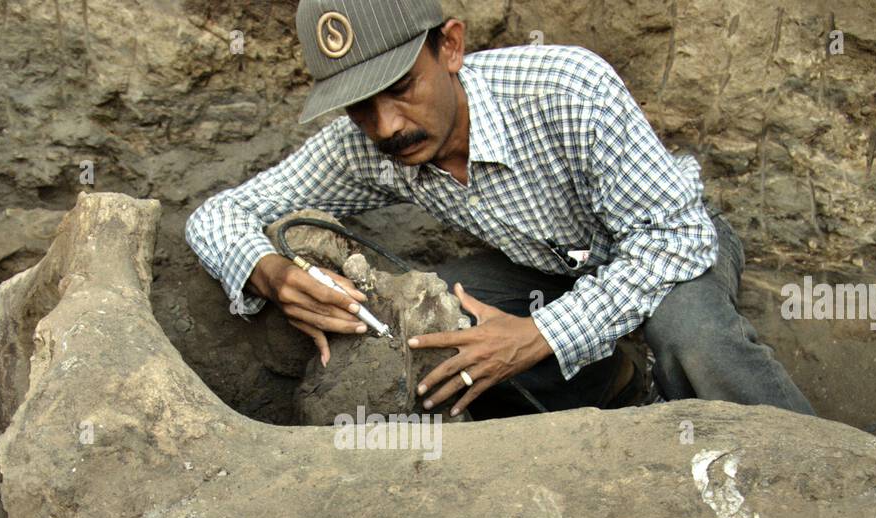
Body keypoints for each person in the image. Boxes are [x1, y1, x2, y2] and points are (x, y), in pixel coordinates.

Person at [186, 0, 814, 420]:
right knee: (438, 324)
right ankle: (616, 385)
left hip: (662, 245)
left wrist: (544, 334)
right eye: (359, 107)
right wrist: (267, 271)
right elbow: (215, 215)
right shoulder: (368, 144)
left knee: (692, 335)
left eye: (401, 89)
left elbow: (673, 240)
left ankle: (819, 474)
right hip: (554, 270)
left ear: (450, 47)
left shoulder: (568, 87)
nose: (386, 127)